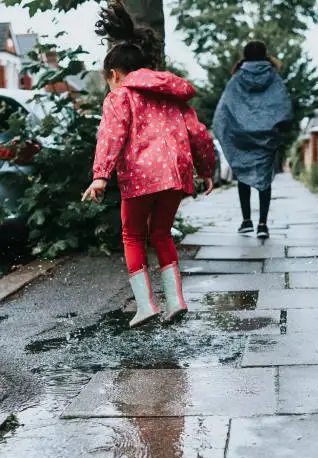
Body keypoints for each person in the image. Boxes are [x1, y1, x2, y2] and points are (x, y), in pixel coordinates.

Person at [82, 1, 215, 328]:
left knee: (132, 235)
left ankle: (146, 306)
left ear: (114, 74)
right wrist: (206, 169)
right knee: (161, 233)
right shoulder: (172, 96)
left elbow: (111, 136)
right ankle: (176, 300)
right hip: (175, 177)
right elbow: (198, 133)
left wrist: (100, 176)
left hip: (141, 178)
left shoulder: (120, 96)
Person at [213, 40, 292, 239]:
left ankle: (246, 221)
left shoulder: (237, 78)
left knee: (243, 175)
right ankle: (263, 225)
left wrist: (228, 129)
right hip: (266, 137)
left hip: (241, 137)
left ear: (245, 55)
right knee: (264, 179)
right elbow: (283, 104)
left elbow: (224, 109)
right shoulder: (274, 77)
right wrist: (278, 128)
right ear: (265, 54)